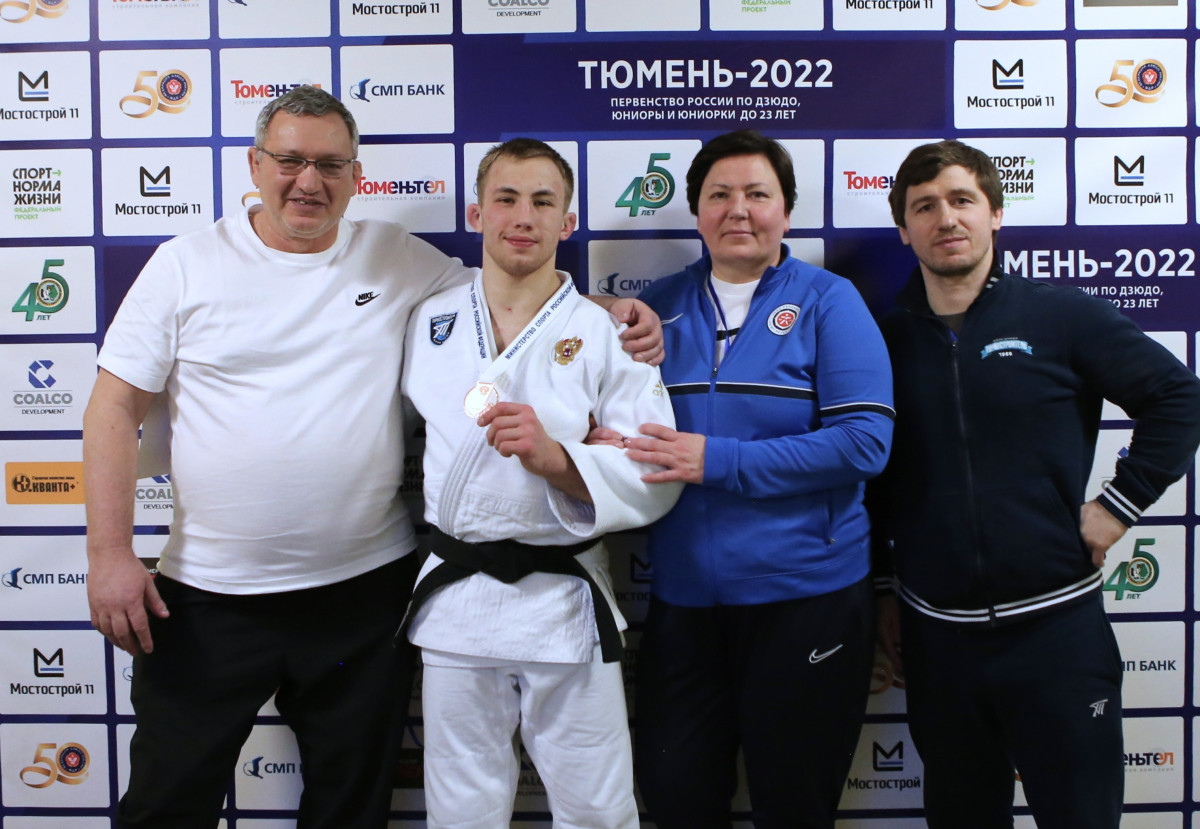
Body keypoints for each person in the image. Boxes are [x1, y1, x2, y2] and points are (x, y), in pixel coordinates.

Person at [82, 87, 662, 829]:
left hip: (360, 597)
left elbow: (518, 294)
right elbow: (113, 407)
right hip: (211, 590)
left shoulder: (394, 257)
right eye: (290, 160)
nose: (309, 181)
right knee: (166, 801)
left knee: (350, 809)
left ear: (357, 176)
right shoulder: (186, 264)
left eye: (330, 165)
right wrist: (108, 552)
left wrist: (609, 313)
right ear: (255, 165)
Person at [869, 139, 1200, 828]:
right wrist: (881, 588)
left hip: (1057, 637)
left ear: (995, 213)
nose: (945, 218)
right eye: (924, 207)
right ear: (903, 229)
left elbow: (1179, 396)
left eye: (962, 200)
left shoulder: (1061, 316)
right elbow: (866, 476)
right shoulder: (882, 340)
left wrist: (1117, 506)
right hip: (940, 645)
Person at [398, 138, 682, 828]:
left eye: (542, 201)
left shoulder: (608, 331)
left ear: (568, 221)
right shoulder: (428, 320)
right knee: (460, 811)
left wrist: (559, 460)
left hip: (563, 606)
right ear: (476, 213)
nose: (523, 216)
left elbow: (657, 470)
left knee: (598, 810)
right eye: (506, 198)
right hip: (459, 605)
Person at [622, 130, 895, 828]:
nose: (738, 209)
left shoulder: (830, 301)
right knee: (678, 801)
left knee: (794, 808)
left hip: (806, 599)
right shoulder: (657, 308)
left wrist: (718, 460)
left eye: (757, 194)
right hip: (685, 602)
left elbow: (865, 444)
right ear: (697, 212)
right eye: (720, 194)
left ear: (786, 211)